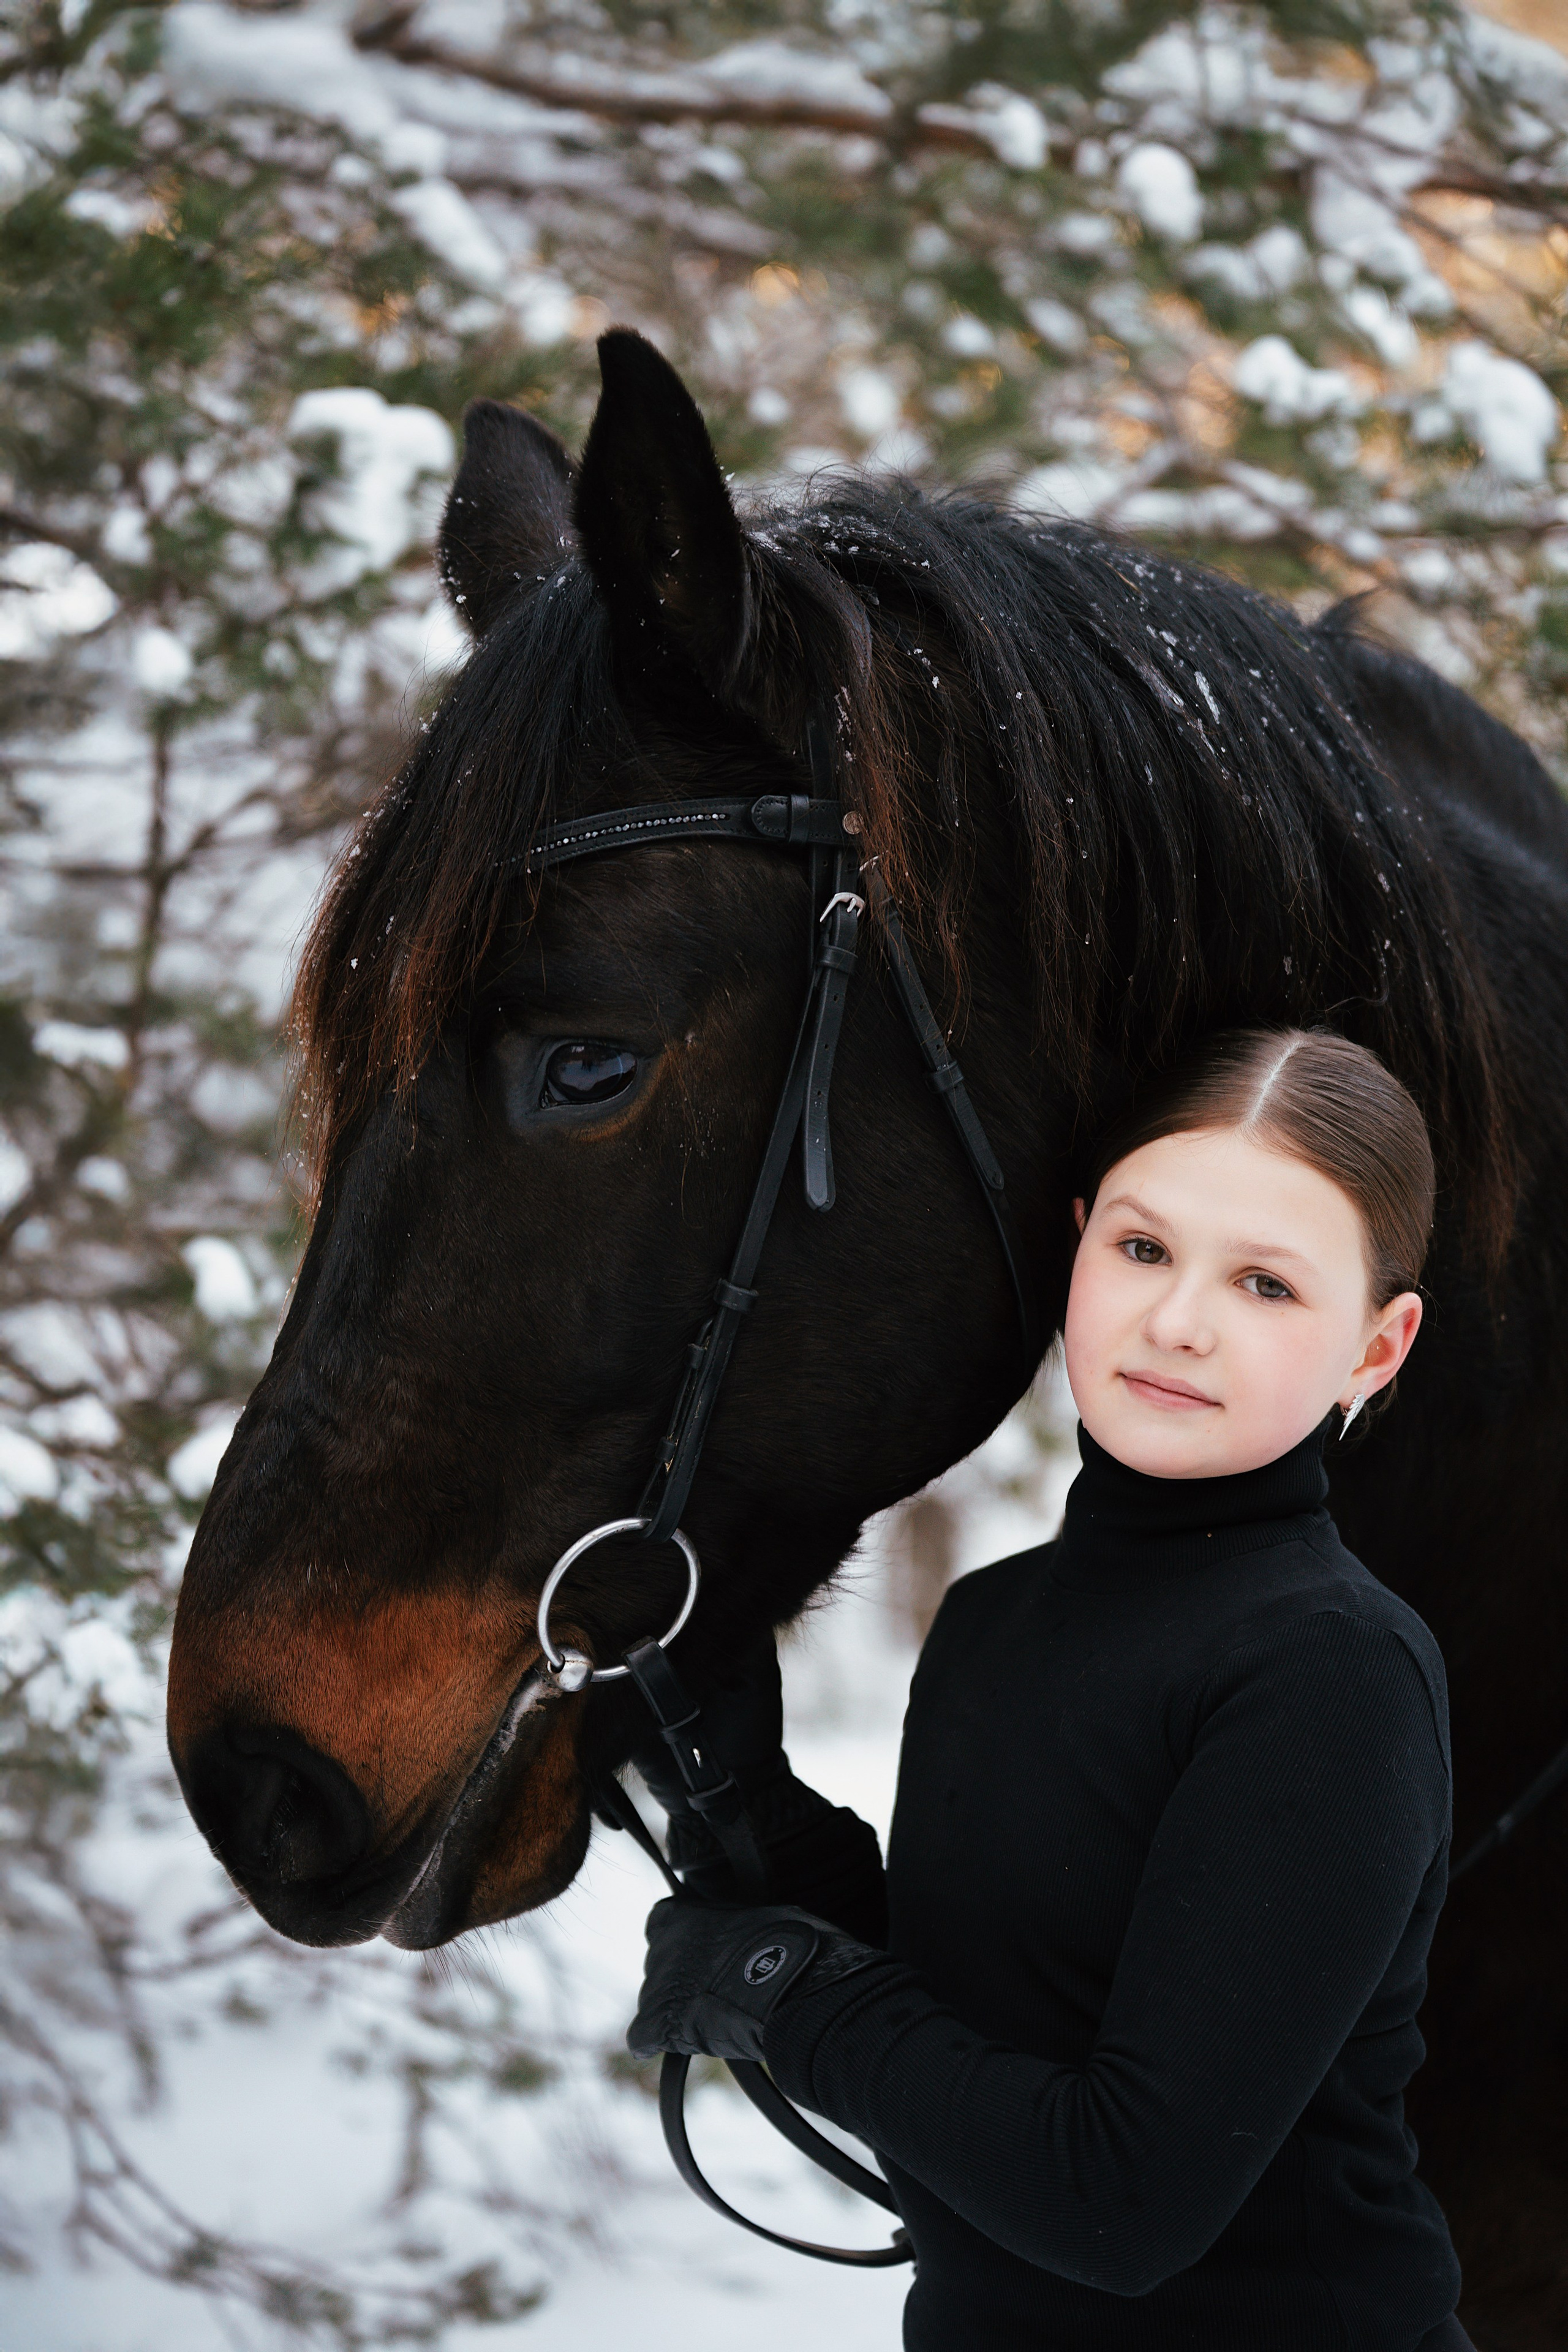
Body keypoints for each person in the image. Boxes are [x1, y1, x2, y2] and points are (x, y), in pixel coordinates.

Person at [627, 1027, 1476, 2352]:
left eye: (1264, 1284)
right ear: (1075, 1245)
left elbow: (1113, 2202)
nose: (1177, 1322)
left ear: (1376, 1348)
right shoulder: (992, 1619)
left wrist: (786, 1987)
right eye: (1141, 1248)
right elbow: (985, 2042)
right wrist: (747, 1800)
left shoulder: (1326, 1672)